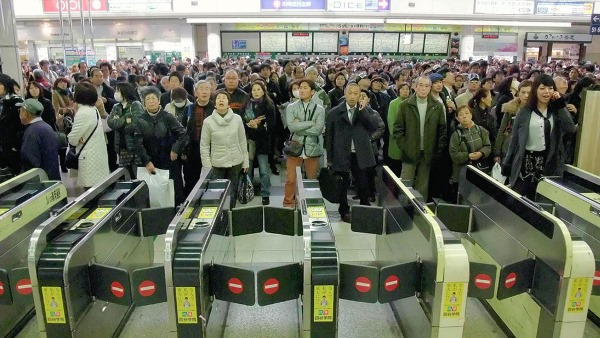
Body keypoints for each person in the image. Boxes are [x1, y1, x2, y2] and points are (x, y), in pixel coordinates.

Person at [501, 74, 577, 199]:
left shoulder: (556, 111)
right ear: (535, 90)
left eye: (550, 88)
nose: (546, 92)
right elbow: (514, 140)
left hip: (548, 162)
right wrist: (507, 163)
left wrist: (560, 105)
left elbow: (570, 128)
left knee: (540, 201)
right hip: (525, 161)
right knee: (517, 200)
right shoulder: (524, 112)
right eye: (542, 88)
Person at [327, 83, 381, 223]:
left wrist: (362, 111)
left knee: (363, 183)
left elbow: (373, 127)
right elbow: (329, 136)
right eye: (349, 93)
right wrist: (330, 158)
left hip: (360, 153)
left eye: (356, 93)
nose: (352, 96)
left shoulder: (365, 110)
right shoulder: (334, 112)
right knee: (342, 184)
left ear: (360, 95)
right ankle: (344, 210)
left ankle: (365, 207)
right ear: (345, 93)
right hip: (341, 152)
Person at [394, 76, 447, 201]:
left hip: (428, 152)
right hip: (409, 151)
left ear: (430, 88)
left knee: (423, 185)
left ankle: (420, 213)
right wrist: (405, 146)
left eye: (427, 86)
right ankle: (404, 210)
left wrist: (438, 149)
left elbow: (442, 129)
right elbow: (398, 129)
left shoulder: (437, 106)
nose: (423, 89)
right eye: (421, 85)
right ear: (415, 87)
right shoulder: (405, 106)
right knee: (406, 183)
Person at [134, 87, 188, 205]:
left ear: (159, 101)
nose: (151, 101)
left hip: (169, 160)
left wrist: (175, 149)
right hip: (152, 161)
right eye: (148, 99)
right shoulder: (140, 120)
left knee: (175, 190)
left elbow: (183, 133)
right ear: (144, 102)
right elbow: (138, 143)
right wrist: (147, 161)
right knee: (155, 193)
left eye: (154, 98)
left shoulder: (167, 117)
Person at [200, 91, 249, 209]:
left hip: (235, 162)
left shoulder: (237, 119)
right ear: (215, 103)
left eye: (224, 98)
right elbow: (204, 146)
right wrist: (207, 166)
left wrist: (245, 161)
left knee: (232, 194)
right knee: (217, 195)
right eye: (218, 98)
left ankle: (231, 215)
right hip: (217, 164)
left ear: (229, 103)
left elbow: (242, 141)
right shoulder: (208, 122)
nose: (221, 100)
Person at [283, 79, 325, 208]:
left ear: (312, 92)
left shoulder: (319, 109)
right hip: (295, 146)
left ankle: (311, 203)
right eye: (300, 87)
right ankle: (289, 202)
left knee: (312, 179)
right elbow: (291, 127)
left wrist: (299, 125)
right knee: (290, 179)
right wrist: (310, 123)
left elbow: (318, 130)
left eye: (305, 87)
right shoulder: (291, 107)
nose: (301, 90)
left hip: (312, 147)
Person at [240, 81, 277, 205]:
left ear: (263, 91)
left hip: (263, 141)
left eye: (258, 89)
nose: (256, 92)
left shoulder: (269, 105)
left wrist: (257, 127)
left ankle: (265, 193)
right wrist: (248, 125)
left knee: (264, 170)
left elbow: (272, 126)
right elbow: (240, 122)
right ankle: (247, 191)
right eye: (254, 90)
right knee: (247, 168)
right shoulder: (246, 104)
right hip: (248, 140)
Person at [68, 82, 109, 188]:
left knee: (91, 193)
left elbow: (72, 139)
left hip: (89, 159)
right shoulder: (93, 109)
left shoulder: (83, 113)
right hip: (98, 156)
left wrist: (76, 138)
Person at [449, 105, 492, 200]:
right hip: (462, 174)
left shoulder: (480, 130)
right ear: (457, 118)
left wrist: (481, 153)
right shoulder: (455, 135)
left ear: (471, 115)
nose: (464, 116)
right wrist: (468, 156)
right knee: (463, 200)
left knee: (479, 198)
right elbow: (454, 155)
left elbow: (488, 146)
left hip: (480, 171)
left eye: (467, 113)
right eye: (460, 114)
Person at [107, 82, 145, 178]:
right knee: (127, 175)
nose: (116, 93)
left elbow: (135, 125)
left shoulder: (135, 105)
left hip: (135, 146)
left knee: (138, 174)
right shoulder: (116, 107)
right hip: (121, 146)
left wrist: (120, 124)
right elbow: (111, 123)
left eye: (118, 91)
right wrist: (125, 119)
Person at [183, 81, 214, 195]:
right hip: (193, 149)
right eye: (201, 89)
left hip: (211, 149)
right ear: (196, 92)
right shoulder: (189, 108)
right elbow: (184, 129)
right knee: (192, 179)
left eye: (207, 89)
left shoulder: (215, 108)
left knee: (209, 179)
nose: (204, 91)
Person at [17, 99, 60, 180]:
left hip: (40, 182)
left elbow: (30, 161)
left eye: (20, 111)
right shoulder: (46, 127)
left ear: (25, 113)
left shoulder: (32, 132)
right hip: (52, 178)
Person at [494, 80, 532, 165]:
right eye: (523, 92)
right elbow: (501, 130)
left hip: (528, 150)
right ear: (518, 93)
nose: (526, 95)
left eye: (529, 92)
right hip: (509, 148)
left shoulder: (537, 110)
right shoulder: (510, 109)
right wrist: (497, 153)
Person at [0, 74, 25, 175]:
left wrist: (16, 145)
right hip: (2, 146)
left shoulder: (16, 101)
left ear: (6, 85)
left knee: (15, 175)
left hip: (13, 147)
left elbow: (22, 125)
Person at [385, 82, 410, 176]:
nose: (405, 91)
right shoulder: (394, 103)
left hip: (409, 140)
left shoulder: (410, 103)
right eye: (403, 89)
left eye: (407, 89)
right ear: (398, 91)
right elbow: (391, 122)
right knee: (395, 169)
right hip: (396, 140)